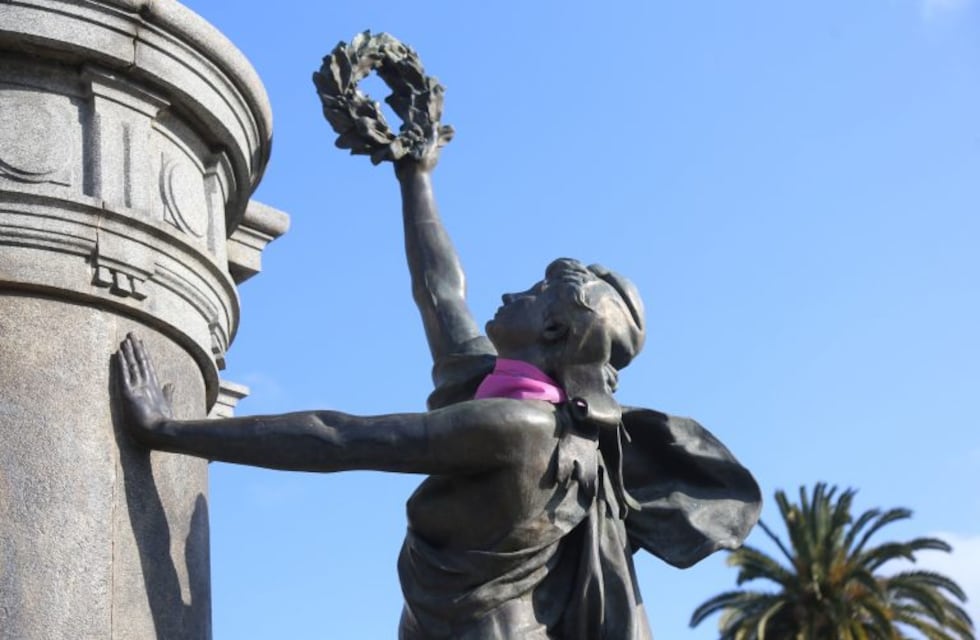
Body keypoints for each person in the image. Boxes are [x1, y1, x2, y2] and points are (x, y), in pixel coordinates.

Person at [118, 133, 761, 639]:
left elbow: (341, 439)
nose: (514, 292)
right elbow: (440, 293)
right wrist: (414, 177)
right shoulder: (505, 394)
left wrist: (169, 430)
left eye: (536, 294)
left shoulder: (519, 427)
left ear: (557, 330)